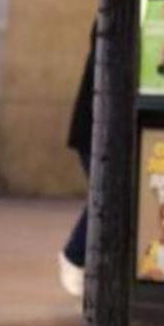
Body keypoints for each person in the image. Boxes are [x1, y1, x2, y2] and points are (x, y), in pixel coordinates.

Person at [58, 22, 94, 297]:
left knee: (111, 198)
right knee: (108, 197)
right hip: (94, 130)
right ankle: (74, 254)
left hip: (94, 129)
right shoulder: (116, 21)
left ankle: (80, 257)